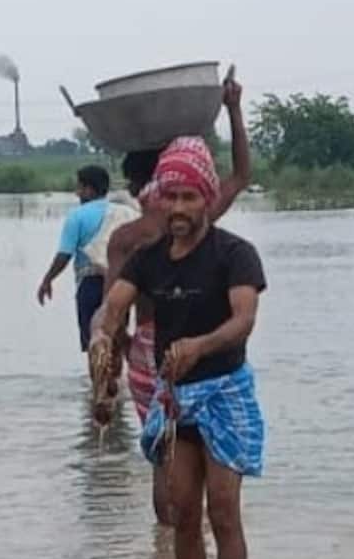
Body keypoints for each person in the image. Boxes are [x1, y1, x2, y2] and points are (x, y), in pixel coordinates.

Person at [90, 136, 267, 559]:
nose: (179, 208)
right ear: (157, 200)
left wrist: (200, 346)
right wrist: (102, 338)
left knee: (223, 513)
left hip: (224, 392)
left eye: (189, 197)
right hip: (176, 401)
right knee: (182, 512)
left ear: (206, 198)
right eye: (171, 197)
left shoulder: (235, 254)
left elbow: (244, 320)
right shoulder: (146, 257)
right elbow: (114, 306)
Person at [93, 76, 253, 524]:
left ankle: (166, 553)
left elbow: (112, 318)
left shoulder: (127, 239)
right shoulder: (196, 217)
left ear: (135, 182)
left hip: (147, 353)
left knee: (164, 457)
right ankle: (183, 548)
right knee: (208, 454)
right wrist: (234, 109)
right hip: (203, 345)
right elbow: (241, 175)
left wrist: (106, 377)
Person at [37, 166, 121, 353]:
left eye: (79, 187)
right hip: (120, 286)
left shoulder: (77, 216)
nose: (77, 193)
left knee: (94, 344)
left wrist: (47, 279)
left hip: (90, 284)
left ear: (89, 190)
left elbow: (64, 254)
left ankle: (96, 381)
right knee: (115, 341)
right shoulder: (121, 212)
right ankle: (117, 380)